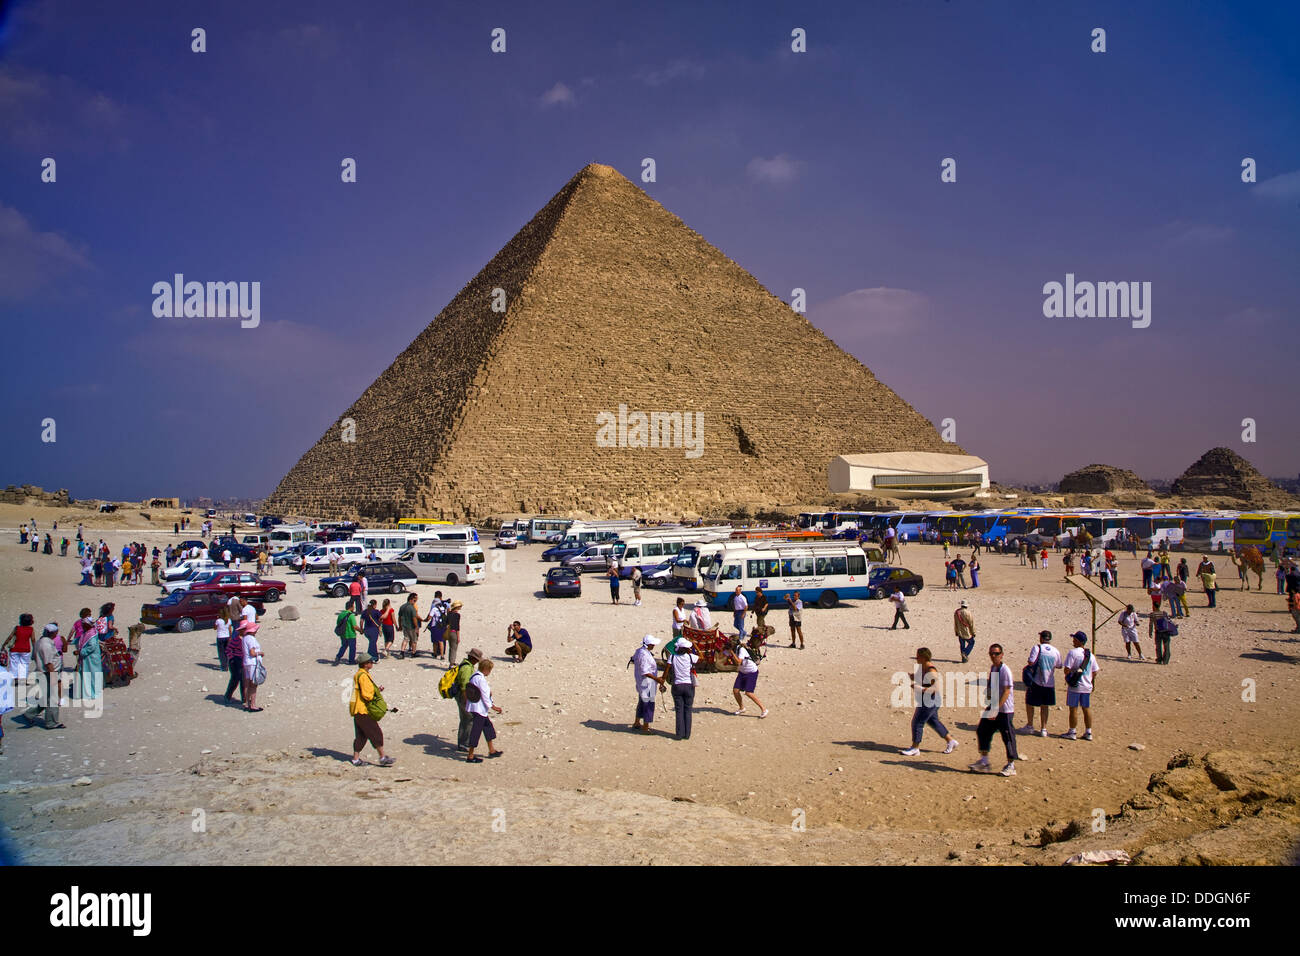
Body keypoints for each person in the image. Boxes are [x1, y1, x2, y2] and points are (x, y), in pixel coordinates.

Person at [970, 644, 1019, 776]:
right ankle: (984, 761)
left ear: (1002, 654)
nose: (993, 656)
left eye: (996, 653)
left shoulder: (1005, 670)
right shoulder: (994, 668)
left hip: (1004, 710)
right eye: (991, 653)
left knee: (1007, 736)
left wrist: (996, 708)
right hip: (994, 706)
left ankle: (1011, 765)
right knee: (982, 730)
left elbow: (1007, 690)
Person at [899, 647, 957, 756]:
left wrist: (920, 689)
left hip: (931, 700)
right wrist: (912, 676)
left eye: (918, 656)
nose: (916, 658)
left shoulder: (931, 670)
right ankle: (951, 741)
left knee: (917, 722)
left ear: (924, 657)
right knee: (933, 721)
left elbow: (936, 687)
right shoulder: (922, 667)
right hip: (927, 699)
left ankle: (915, 748)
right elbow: (921, 678)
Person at [350, 653, 395, 767]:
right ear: (366, 664)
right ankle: (382, 757)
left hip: (357, 710)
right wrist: (375, 693)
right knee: (375, 733)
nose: (371, 663)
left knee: (361, 735)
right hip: (363, 710)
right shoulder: (363, 676)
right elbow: (367, 695)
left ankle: (355, 759)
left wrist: (376, 690)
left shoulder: (359, 674)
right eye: (370, 662)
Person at [23, 623, 65, 729]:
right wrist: (54, 677)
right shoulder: (46, 644)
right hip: (48, 673)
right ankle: (51, 722)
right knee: (53, 698)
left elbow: (34, 657)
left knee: (46, 698)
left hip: (43, 673)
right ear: (54, 633)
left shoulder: (40, 642)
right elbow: (48, 663)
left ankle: (29, 714)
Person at [1021, 630, 1061, 737]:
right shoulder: (1055, 651)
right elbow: (1059, 665)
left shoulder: (1037, 648)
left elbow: (1031, 661)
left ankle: (1030, 725)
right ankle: (1044, 728)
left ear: (1041, 638)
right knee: (1045, 705)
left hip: (1037, 680)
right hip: (1049, 682)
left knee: (1030, 703)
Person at [1060, 631, 1099, 740]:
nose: (1073, 641)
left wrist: (1071, 675)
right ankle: (1088, 732)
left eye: (1074, 639)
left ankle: (1072, 731)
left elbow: (1066, 669)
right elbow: (1095, 671)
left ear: (1078, 641)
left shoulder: (1073, 653)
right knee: (1086, 708)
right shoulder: (1090, 655)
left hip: (1075, 686)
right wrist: (1090, 680)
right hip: (1086, 686)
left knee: (1073, 709)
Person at [464, 659, 503, 762]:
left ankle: (492, 750)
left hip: (475, 707)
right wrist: (493, 707)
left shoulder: (474, 676)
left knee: (487, 727)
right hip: (479, 709)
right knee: (476, 731)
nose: (490, 672)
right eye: (489, 670)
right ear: (486, 669)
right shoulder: (481, 680)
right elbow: (485, 695)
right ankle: (470, 756)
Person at [662, 637, 699, 740]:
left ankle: (679, 734)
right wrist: (694, 646)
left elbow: (667, 669)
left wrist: (662, 681)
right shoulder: (691, 657)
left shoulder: (672, 657)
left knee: (679, 710)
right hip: (689, 685)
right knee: (688, 710)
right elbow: (702, 657)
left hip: (677, 685)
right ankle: (687, 734)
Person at [724, 636, 767, 717]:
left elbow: (739, 662)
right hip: (742, 672)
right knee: (736, 691)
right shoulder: (733, 649)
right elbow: (722, 654)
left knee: (749, 693)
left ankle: (764, 709)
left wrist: (732, 653)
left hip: (751, 672)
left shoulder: (741, 649)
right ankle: (741, 708)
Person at [452, 647, 484, 753]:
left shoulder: (467, 665)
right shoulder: (466, 668)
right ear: (472, 658)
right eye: (476, 659)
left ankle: (463, 742)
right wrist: (467, 700)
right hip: (463, 696)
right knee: (468, 718)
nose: (477, 662)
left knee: (465, 718)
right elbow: (464, 686)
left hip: (463, 695)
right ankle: (464, 743)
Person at [630, 635, 664, 732]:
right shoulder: (644, 655)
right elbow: (645, 672)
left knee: (642, 701)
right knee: (648, 704)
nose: (654, 645)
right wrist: (657, 679)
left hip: (641, 682)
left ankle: (637, 722)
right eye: (652, 644)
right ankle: (646, 727)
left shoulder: (639, 651)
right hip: (647, 683)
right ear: (649, 644)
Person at [2, 613, 35, 686]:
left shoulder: (17, 628)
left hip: (15, 649)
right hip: (25, 649)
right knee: (24, 664)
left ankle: (16, 680)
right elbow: (33, 640)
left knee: (14, 664)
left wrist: (4, 645)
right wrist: (35, 649)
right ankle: (24, 679)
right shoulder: (31, 629)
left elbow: (10, 637)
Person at [240, 620, 264, 712]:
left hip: (246, 662)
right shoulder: (251, 639)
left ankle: (246, 704)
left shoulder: (245, 638)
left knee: (247, 684)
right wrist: (260, 653)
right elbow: (252, 653)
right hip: (252, 663)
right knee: (253, 684)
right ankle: (253, 705)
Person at [223, 616, 246, 706]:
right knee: (235, 680)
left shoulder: (246, 639)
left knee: (243, 681)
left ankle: (244, 698)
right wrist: (232, 658)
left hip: (243, 662)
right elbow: (228, 649)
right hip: (235, 662)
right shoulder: (236, 640)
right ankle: (228, 696)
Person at [397, 593, 423, 660]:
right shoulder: (412, 608)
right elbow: (414, 618)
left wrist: (400, 625)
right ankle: (413, 653)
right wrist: (417, 627)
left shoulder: (402, 606)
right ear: (411, 599)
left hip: (404, 626)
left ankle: (402, 652)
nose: (415, 602)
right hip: (411, 626)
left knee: (405, 639)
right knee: (414, 640)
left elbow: (399, 617)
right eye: (415, 600)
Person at [214, 607, 233, 672]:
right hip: (227, 637)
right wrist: (230, 637)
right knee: (227, 652)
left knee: (221, 653)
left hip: (220, 637)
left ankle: (224, 666)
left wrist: (216, 619)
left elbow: (215, 628)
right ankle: (227, 665)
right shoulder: (229, 620)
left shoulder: (218, 620)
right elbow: (230, 630)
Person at [445, 601, 463, 665]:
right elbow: (457, 627)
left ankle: (451, 661)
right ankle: (452, 664)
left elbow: (446, 623)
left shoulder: (449, 613)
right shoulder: (457, 615)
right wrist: (458, 637)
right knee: (454, 649)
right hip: (454, 632)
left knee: (450, 648)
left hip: (448, 632)